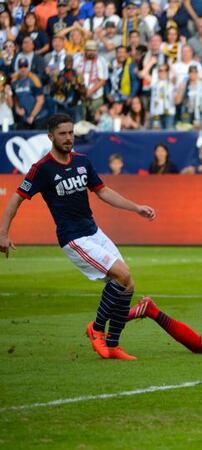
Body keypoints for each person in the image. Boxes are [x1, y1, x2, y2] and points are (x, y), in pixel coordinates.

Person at [0, 114, 156, 360]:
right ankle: (96, 329)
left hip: (93, 231)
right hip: (73, 238)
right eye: (63, 134)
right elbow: (15, 199)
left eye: (71, 133)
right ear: (51, 136)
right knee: (122, 274)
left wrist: (136, 207)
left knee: (128, 284)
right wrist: (3, 234)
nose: (69, 138)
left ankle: (113, 345)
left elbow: (103, 192)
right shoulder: (41, 169)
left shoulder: (82, 162)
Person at [11, 57, 45, 129]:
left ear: (28, 67)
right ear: (18, 68)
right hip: (22, 117)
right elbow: (15, 97)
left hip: (36, 117)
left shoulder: (34, 79)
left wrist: (32, 116)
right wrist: (17, 108)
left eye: (25, 66)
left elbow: (40, 100)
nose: (23, 69)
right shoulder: (14, 81)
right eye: (21, 66)